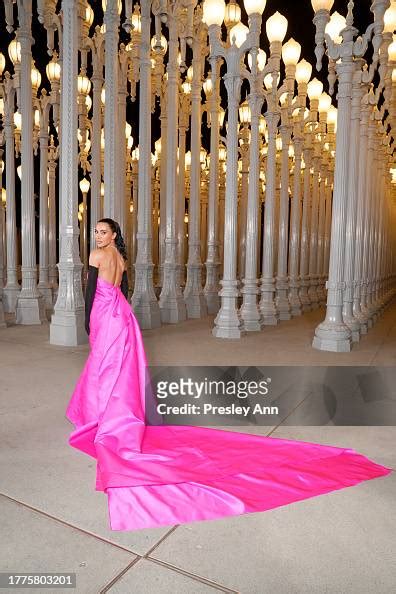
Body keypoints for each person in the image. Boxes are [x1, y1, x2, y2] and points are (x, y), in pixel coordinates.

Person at [66, 219, 392, 532]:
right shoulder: (120, 257)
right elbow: (123, 287)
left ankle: (99, 417)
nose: (97, 236)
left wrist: (87, 321)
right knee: (118, 368)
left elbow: (92, 289)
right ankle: (108, 414)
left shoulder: (97, 255)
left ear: (112, 235)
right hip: (122, 314)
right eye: (95, 231)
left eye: (102, 231)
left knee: (104, 365)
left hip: (104, 313)